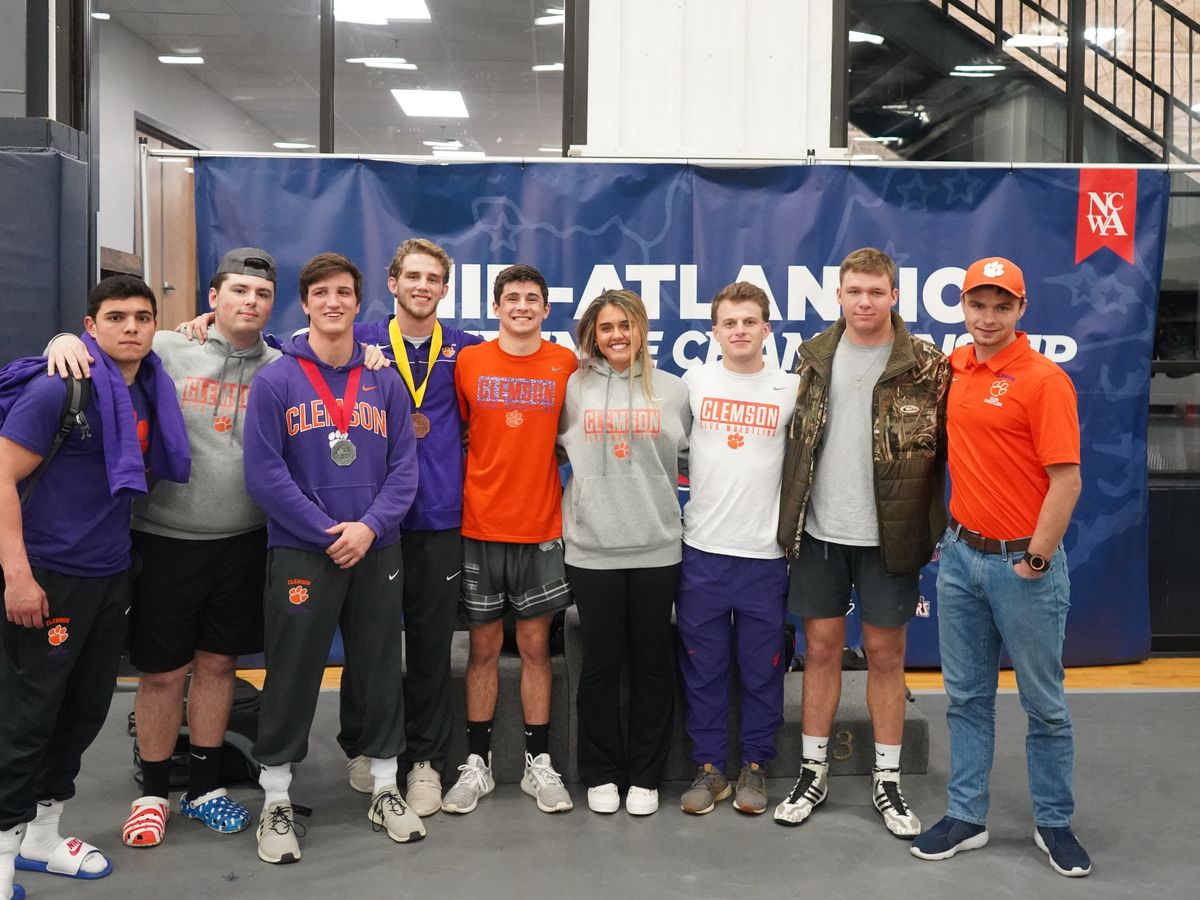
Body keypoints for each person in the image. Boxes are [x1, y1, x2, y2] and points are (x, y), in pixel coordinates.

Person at [48, 248, 281, 848]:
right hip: (164, 539)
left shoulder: (281, 365)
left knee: (219, 666)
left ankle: (203, 786)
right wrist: (62, 340)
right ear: (213, 298)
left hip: (244, 540)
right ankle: (152, 795)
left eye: (261, 293)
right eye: (238, 291)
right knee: (161, 674)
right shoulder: (168, 349)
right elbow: (105, 346)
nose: (250, 302)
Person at [0, 276, 190, 900]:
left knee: (82, 712)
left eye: (143, 317)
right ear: (90, 326)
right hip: (47, 575)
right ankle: (1, 851)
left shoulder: (150, 386)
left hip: (109, 575)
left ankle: (41, 836)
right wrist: (18, 576)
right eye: (116, 316)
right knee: (27, 717)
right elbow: (1, 479)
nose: (131, 327)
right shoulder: (59, 387)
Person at [910, 256, 1090, 877]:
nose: (988, 318)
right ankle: (967, 817)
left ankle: (1054, 822)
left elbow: (1066, 481)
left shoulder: (1044, 381)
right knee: (966, 698)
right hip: (960, 560)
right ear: (963, 306)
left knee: (1044, 705)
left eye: (1002, 306)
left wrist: (1036, 559)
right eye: (978, 305)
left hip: (1023, 565)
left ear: (1021, 309)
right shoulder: (957, 366)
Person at [242, 253, 420, 864]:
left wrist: (368, 528)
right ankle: (276, 797)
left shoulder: (385, 380)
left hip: (376, 547)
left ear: (358, 301)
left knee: (379, 668)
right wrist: (327, 532)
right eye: (321, 293)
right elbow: (264, 474)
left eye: (344, 292)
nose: (333, 302)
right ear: (305, 302)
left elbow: (405, 470)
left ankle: (386, 786)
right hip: (303, 550)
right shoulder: (276, 380)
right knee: (292, 671)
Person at [774, 248, 948, 836]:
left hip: (889, 538)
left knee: (885, 656)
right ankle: (812, 772)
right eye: (855, 291)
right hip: (820, 531)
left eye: (876, 291)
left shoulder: (927, 366)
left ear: (894, 295)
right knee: (820, 651)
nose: (865, 301)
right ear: (839, 295)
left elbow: (953, 450)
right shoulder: (812, 357)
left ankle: (887, 780)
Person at [337, 239, 483, 816]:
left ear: (444, 289)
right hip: (371, 519)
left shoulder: (468, 350)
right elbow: (283, 351)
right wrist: (202, 324)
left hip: (439, 515)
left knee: (429, 645)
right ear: (393, 283)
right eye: (413, 277)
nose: (423, 287)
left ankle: (425, 762)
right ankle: (364, 746)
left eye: (433, 279)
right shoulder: (360, 340)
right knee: (368, 643)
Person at [443, 264, 577, 815]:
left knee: (536, 648)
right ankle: (477, 764)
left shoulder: (566, 363)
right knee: (482, 649)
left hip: (540, 528)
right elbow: (456, 430)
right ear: (496, 306)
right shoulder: (470, 361)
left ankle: (537, 765)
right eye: (512, 297)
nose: (522, 306)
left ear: (546, 309)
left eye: (532, 298)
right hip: (479, 526)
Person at [558, 290, 690, 816]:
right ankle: (600, 773)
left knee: (653, 664)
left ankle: (646, 776)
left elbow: (694, 460)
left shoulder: (675, 390)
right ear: (593, 334)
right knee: (600, 665)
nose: (617, 335)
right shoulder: (571, 388)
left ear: (642, 330)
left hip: (658, 547)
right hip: (592, 549)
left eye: (626, 325)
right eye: (607, 327)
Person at [675, 281, 799, 816]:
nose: (740, 331)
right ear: (715, 331)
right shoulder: (694, 382)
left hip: (765, 556)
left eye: (750, 322)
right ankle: (709, 770)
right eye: (730, 323)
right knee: (703, 670)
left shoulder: (790, 388)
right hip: (703, 550)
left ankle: (754, 766)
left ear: (767, 329)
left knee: (761, 670)